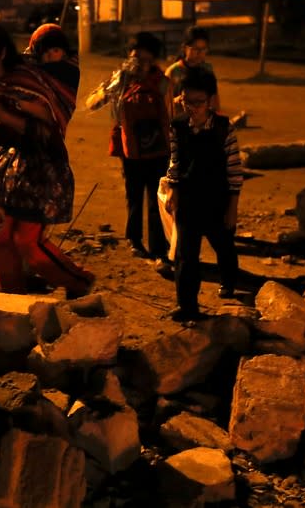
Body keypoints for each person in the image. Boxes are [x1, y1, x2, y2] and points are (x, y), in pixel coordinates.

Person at [0, 21, 94, 298]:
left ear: (1, 53)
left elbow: (48, 133)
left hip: (40, 171)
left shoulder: (29, 82)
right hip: (4, 173)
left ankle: (79, 282)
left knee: (27, 242)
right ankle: (10, 306)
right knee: (1, 237)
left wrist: (4, 115)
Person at [86, 31, 173, 271]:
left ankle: (159, 252)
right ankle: (134, 240)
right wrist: (114, 85)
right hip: (130, 148)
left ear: (153, 59)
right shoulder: (122, 79)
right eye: (135, 59)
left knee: (156, 200)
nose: (140, 65)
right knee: (134, 196)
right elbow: (92, 103)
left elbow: (171, 115)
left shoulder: (163, 82)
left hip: (158, 149)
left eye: (145, 60)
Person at [164, 68, 243, 322]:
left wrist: (232, 207)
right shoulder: (177, 125)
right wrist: (173, 190)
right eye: (186, 101)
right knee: (185, 255)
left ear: (210, 101)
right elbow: (175, 161)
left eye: (198, 102)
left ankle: (229, 280)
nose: (192, 108)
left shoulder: (223, 129)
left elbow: (234, 170)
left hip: (217, 199)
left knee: (223, 244)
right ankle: (187, 306)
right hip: (188, 198)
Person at [164, 26, 220, 114]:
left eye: (203, 49)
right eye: (195, 49)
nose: (200, 53)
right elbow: (164, 104)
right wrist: (178, 100)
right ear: (184, 48)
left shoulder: (207, 69)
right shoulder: (173, 71)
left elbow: (214, 101)